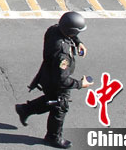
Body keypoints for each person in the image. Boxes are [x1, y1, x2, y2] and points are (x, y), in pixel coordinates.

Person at [15, 11, 93, 148]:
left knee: (52, 99)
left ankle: (26, 109)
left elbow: (65, 31)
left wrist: (78, 42)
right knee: (60, 106)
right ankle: (53, 137)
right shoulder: (63, 53)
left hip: (47, 74)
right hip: (55, 81)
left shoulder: (53, 30)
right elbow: (62, 80)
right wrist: (81, 84)